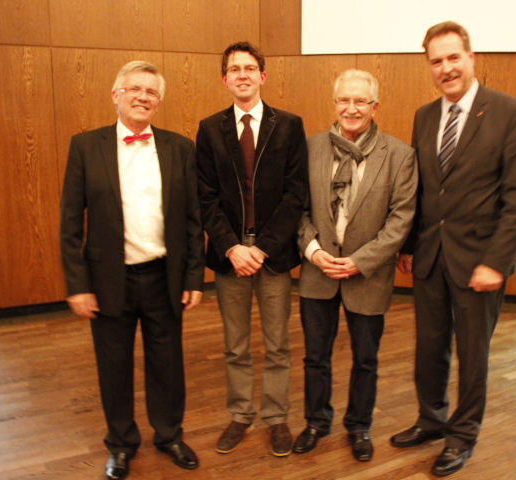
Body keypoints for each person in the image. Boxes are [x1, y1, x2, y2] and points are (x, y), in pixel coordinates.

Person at [390, 21, 516, 477]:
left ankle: (462, 435)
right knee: (429, 349)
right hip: (431, 257)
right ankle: (431, 420)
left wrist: (496, 261)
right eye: (436, 61)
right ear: (428, 67)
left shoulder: (511, 112)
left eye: (453, 57)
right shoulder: (424, 116)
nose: (446, 68)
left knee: (473, 356)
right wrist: (410, 246)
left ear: (471, 58)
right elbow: (421, 191)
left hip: (480, 262)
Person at [60, 61, 205, 480]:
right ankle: (121, 444)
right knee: (114, 364)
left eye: (152, 92)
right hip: (109, 280)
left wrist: (194, 276)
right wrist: (78, 284)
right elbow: (70, 222)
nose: (143, 97)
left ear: (159, 102)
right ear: (116, 95)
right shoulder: (86, 146)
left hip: (164, 276)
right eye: (135, 89)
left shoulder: (180, 147)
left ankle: (169, 435)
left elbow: (193, 220)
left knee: (167, 362)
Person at [292, 69, 418, 462]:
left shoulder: (399, 155)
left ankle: (359, 426)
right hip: (318, 271)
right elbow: (294, 207)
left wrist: (359, 262)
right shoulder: (308, 148)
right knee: (316, 356)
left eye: (360, 101)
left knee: (366, 359)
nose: (351, 108)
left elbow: (401, 220)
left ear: (374, 106)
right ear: (334, 104)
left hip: (368, 276)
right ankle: (316, 421)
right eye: (344, 100)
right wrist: (313, 251)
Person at [196, 42, 308, 457]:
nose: (242, 74)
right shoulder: (209, 129)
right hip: (230, 256)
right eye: (234, 69)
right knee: (236, 344)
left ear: (262, 76)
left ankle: (276, 418)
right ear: (224, 78)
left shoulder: (289, 125)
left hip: (273, 254)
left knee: (277, 344)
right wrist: (231, 248)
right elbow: (204, 198)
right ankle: (241, 414)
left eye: (250, 68)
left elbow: (296, 195)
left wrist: (262, 248)